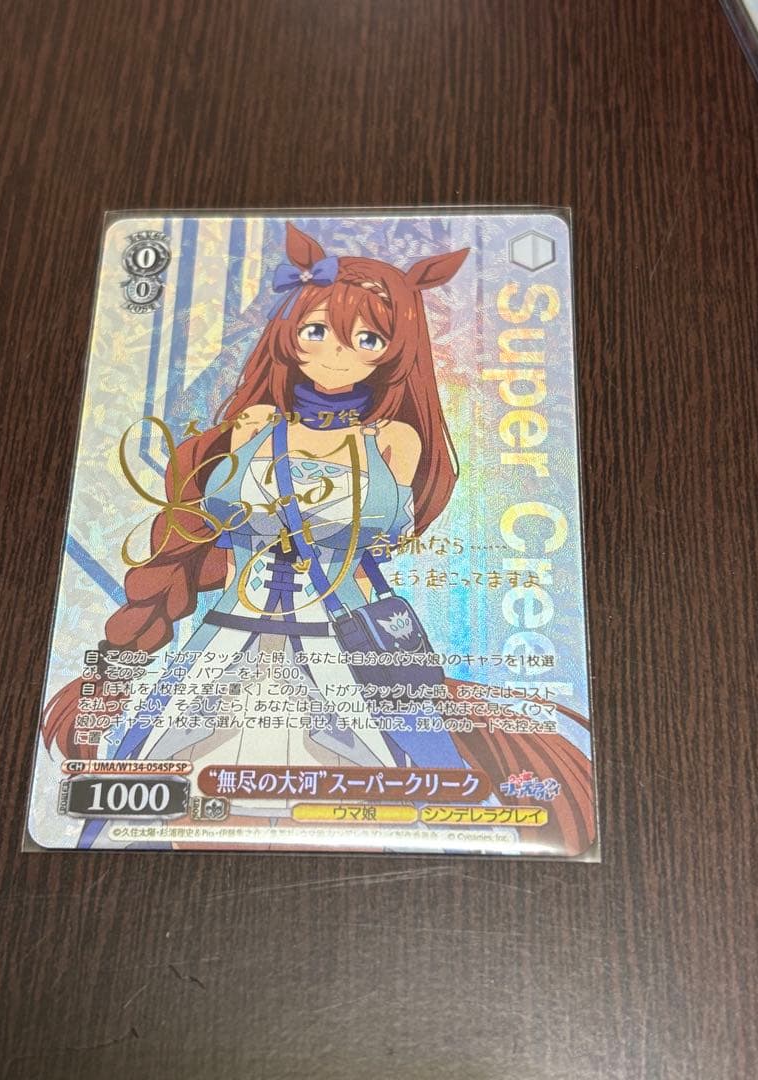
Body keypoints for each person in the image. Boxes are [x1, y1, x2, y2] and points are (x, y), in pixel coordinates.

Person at [43, 222, 594, 853]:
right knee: (160, 764)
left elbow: (385, 527)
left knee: (406, 771)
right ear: (291, 334)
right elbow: (213, 514)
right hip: (232, 631)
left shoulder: (391, 440)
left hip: (340, 634)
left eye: (367, 339)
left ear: (393, 350)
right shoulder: (256, 424)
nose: (337, 355)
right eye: (317, 331)